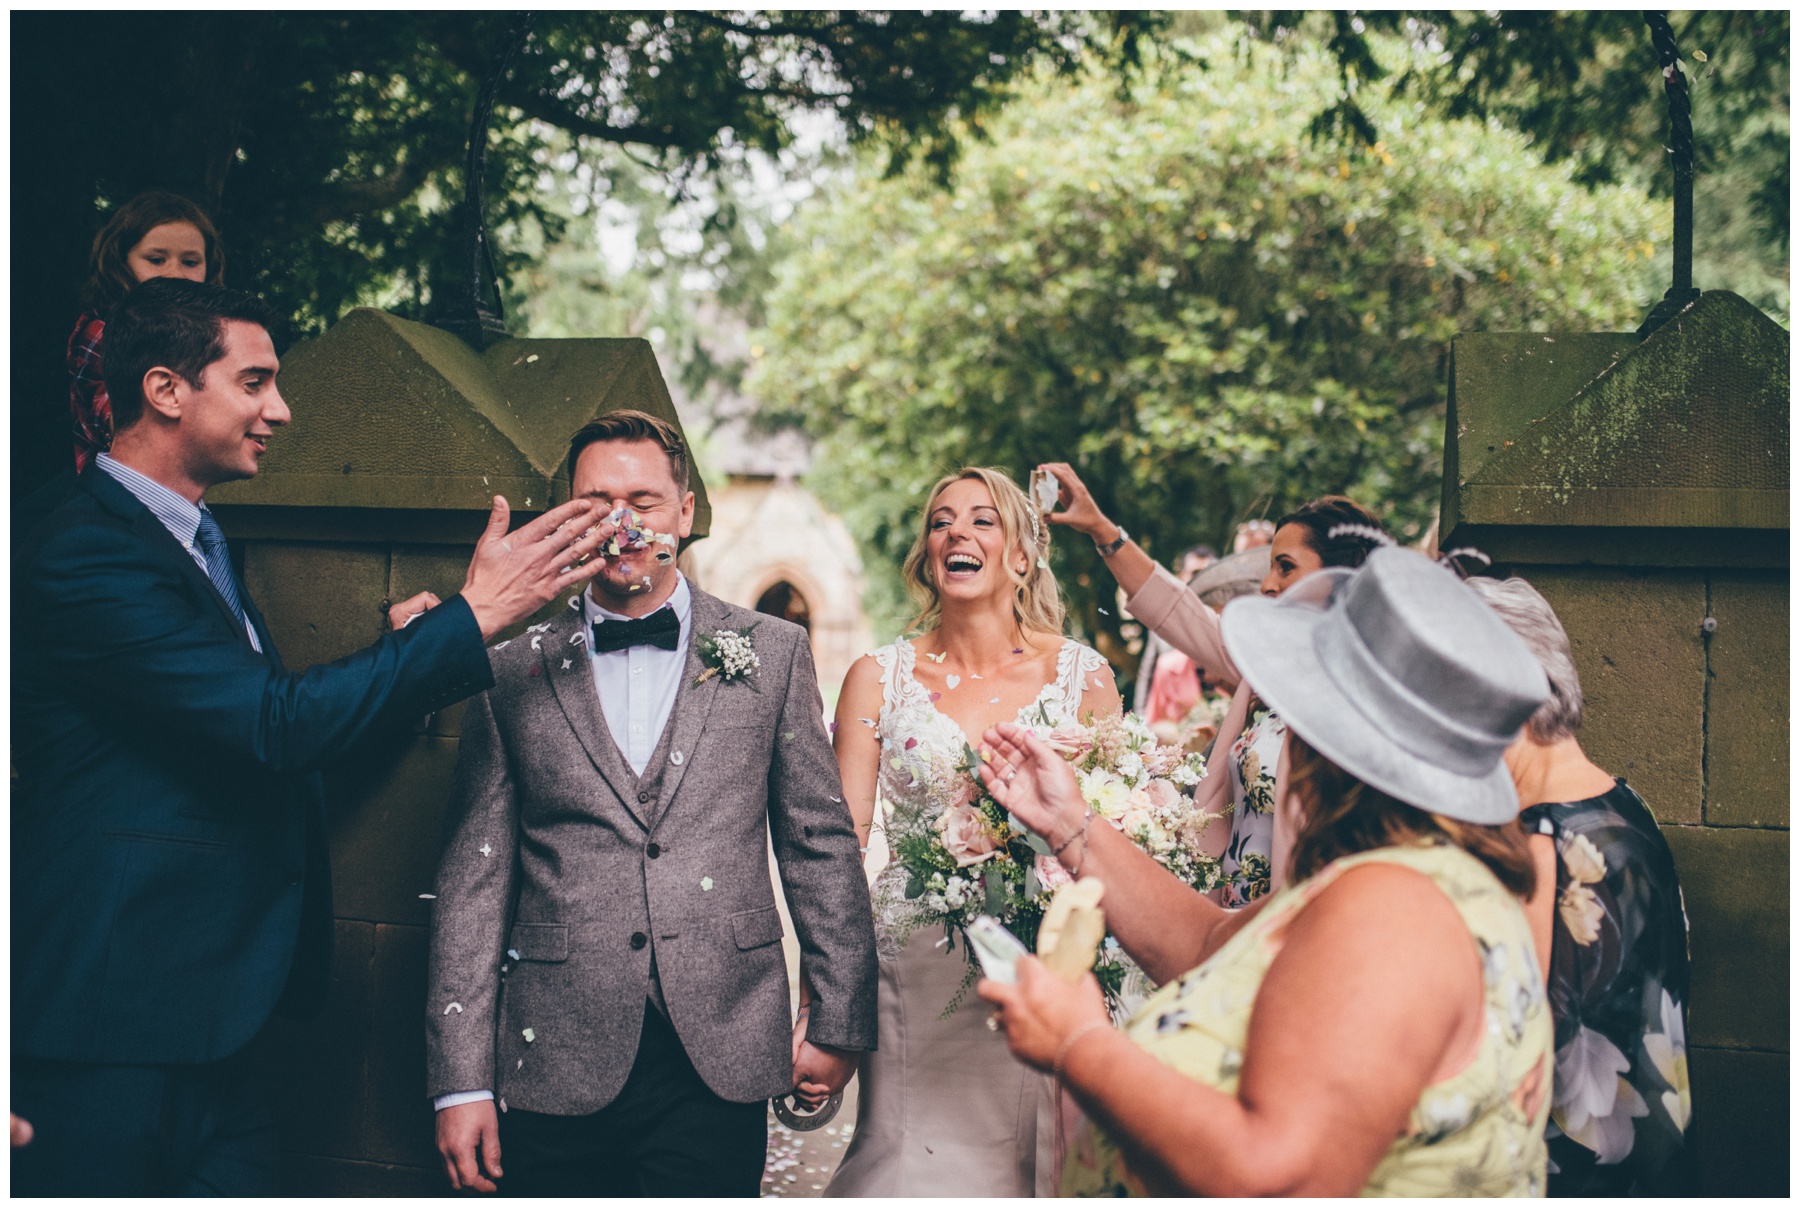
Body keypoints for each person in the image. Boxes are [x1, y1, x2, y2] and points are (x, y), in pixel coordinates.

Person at [12, 278, 609, 1196]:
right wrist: (474, 615)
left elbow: (258, 741)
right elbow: (270, 725)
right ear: (167, 390)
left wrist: (412, 668)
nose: (281, 411)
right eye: (254, 383)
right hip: (105, 1039)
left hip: (215, 1030)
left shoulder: (193, 543)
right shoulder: (83, 547)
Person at [976, 547, 1556, 1195]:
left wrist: (1078, 1043)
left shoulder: (1395, 910)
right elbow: (1210, 946)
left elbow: (1277, 1177)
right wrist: (1069, 821)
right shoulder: (1390, 873)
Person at [425, 410, 878, 1197]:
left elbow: (819, 842)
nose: (623, 521)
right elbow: (473, 882)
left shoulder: (773, 654)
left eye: (645, 498)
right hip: (553, 1054)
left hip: (721, 1049)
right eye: (598, 501)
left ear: (687, 512)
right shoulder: (506, 670)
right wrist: (459, 1081)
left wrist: (839, 1020)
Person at [824, 468, 1120, 1196]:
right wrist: (823, 1003)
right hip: (911, 972)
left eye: (983, 520)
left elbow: (1114, 839)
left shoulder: (1085, 678)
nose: (956, 532)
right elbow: (838, 847)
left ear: (1022, 555)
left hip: (1042, 961)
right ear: (929, 554)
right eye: (941, 522)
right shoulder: (876, 677)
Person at [1039, 462, 1387, 906]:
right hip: (1225, 919)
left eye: (1285, 567)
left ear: (1341, 578)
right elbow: (1178, 611)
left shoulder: (1373, 699)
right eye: (1269, 567)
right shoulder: (1265, 669)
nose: (1267, 585)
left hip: (1296, 925)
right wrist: (1102, 529)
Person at [1467, 575, 1693, 1194]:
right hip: (1654, 1164)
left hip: (1565, 1175)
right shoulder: (1624, 802)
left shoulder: (1539, 842)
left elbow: (1511, 1059)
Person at [68, 190, 224, 471]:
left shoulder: (213, 333)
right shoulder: (102, 331)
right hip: (122, 501)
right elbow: (126, 426)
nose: (175, 273)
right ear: (121, 264)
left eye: (190, 262)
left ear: (208, 268)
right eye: (156, 259)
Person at [1132, 543, 1213, 734]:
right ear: (1182, 576)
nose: (1201, 578)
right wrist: (1141, 721)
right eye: (1195, 572)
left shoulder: (1223, 616)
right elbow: (1148, 671)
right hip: (1175, 724)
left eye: (1207, 572)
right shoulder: (1164, 618)